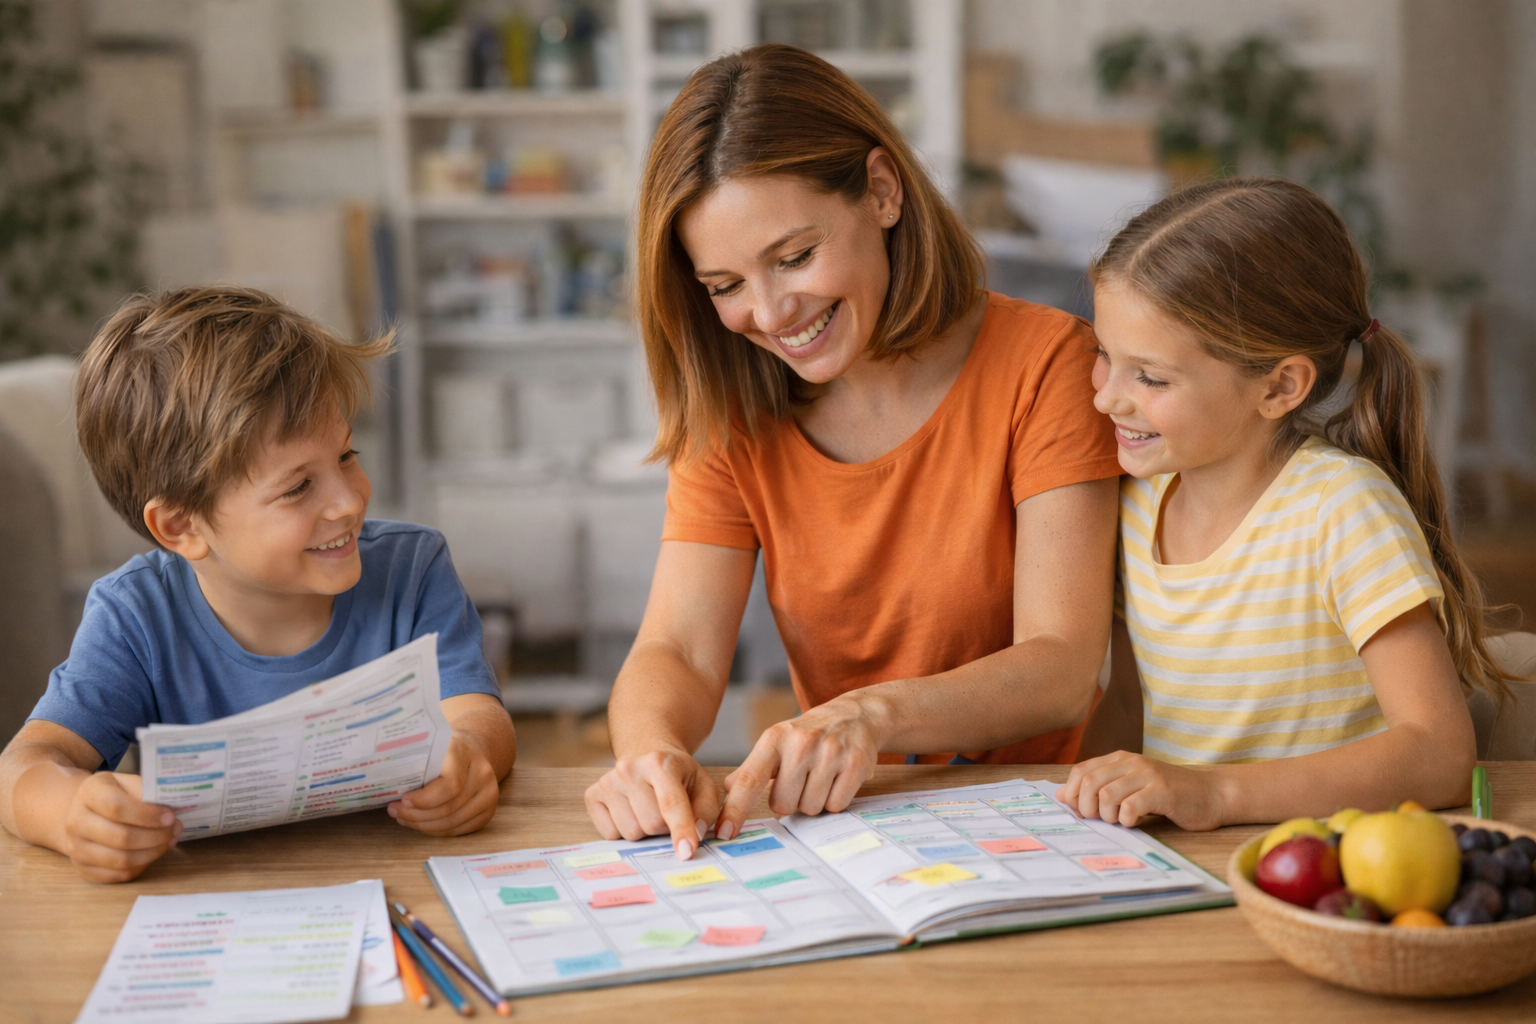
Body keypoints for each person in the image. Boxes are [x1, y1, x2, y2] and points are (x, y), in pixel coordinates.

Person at [585, 45, 1123, 860]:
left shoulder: (1046, 365)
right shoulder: (735, 412)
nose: (771, 313)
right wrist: (650, 754)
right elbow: (678, 650)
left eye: (794, 257)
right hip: (855, 836)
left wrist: (870, 716)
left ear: (881, 190)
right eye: (725, 286)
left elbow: (1062, 667)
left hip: (1047, 825)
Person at [0, 287, 517, 882]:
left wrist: (469, 756)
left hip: (396, 882)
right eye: (298, 487)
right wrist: (69, 812)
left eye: (346, 455)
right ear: (182, 527)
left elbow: (480, 716)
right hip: (211, 900)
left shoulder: (414, 569)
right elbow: (24, 767)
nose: (350, 501)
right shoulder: (135, 616)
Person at [1061, 177, 1515, 830]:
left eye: (1151, 377)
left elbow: (1440, 754)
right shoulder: (1134, 504)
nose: (1107, 397)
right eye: (1105, 355)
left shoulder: (1342, 510)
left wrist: (1214, 794)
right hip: (1182, 861)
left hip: (1320, 865)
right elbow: (1130, 710)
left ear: (1279, 387)